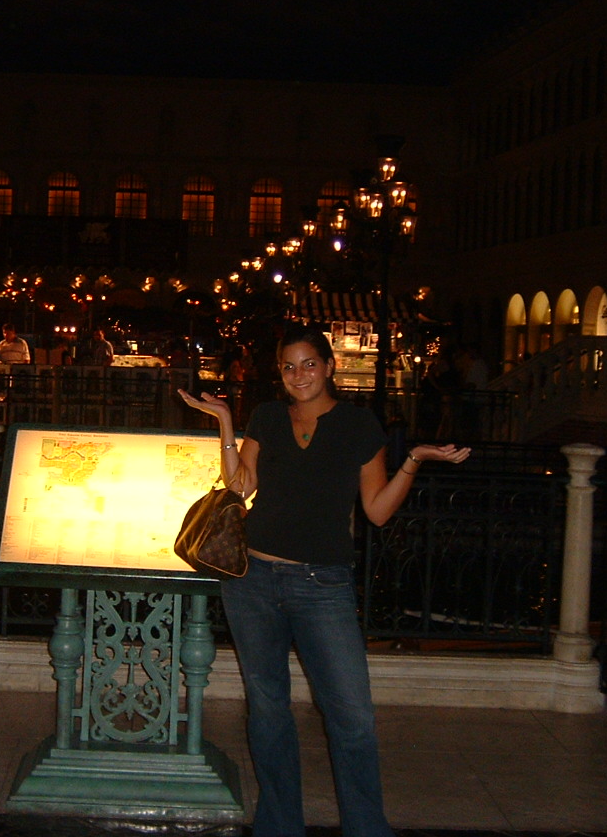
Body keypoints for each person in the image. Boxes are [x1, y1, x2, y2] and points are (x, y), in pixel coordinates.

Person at [178, 322, 470, 837]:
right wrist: (226, 422)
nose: (299, 375)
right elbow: (240, 486)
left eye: (309, 364)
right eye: (288, 367)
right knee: (268, 709)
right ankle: (279, 825)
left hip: (322, 585)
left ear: (330, 367)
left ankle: (366, 827)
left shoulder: (358, 425)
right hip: (252, 580)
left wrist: (414, 459)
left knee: (352, 716)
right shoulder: (268, 416)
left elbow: (377, 511)